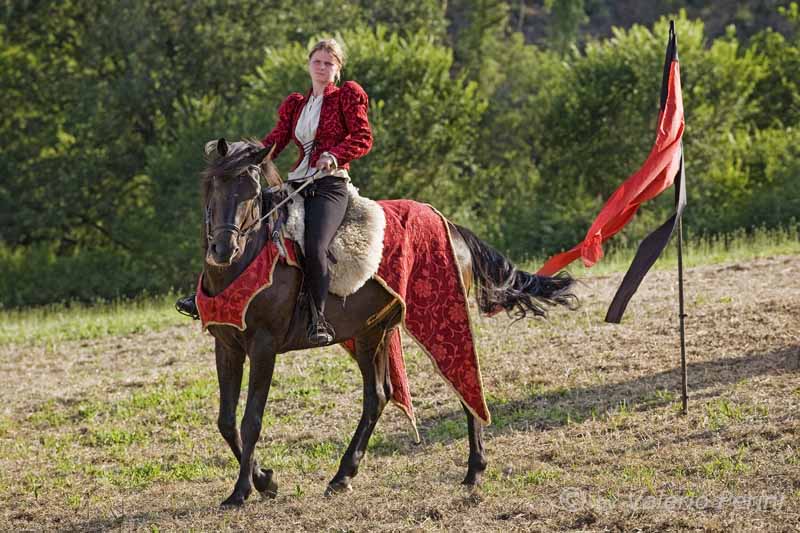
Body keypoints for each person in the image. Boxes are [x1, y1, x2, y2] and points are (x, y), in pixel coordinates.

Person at [177, 38, 373, 346]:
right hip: (296, 182)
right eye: (317, 62)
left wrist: (334, 155)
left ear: (338, 69)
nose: (322, 68)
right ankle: (206, 294)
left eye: (329, 63)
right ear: (309, 65)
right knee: (240, 222)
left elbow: (363, 137)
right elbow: (273, 143)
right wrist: (239, 156)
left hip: (329, 185)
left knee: (315, 243)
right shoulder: (297, 104)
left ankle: (317, 317)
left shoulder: (347, 96)